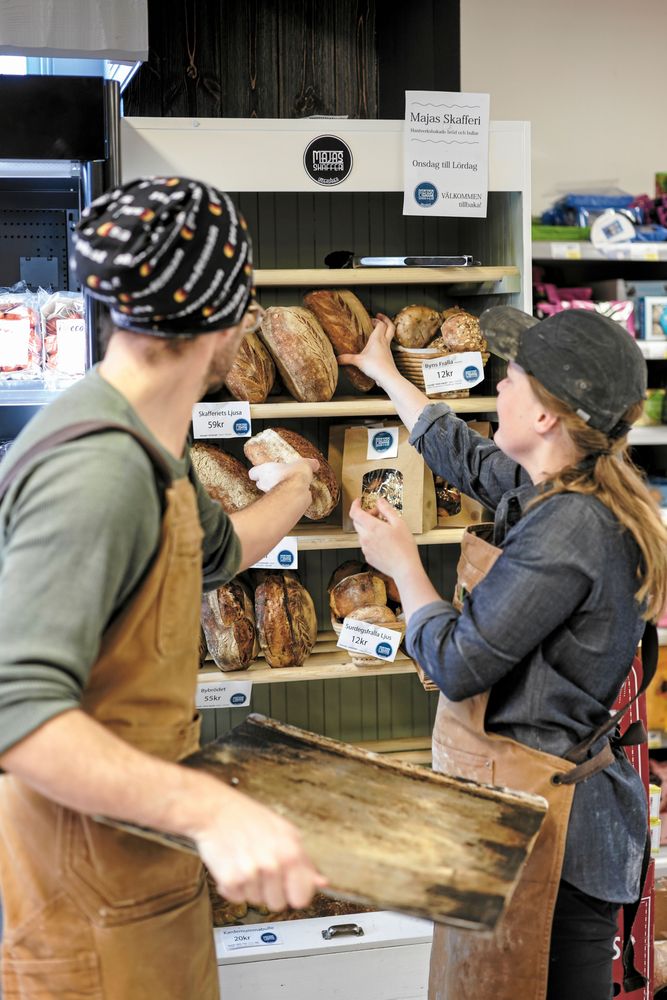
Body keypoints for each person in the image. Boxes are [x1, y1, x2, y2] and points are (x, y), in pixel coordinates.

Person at [0, 176, 326, 1000]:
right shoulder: (98, 470)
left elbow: (218, 551)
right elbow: (17, 711)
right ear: (221, 317)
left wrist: (295, 488)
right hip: (83, 912)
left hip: (139, 881)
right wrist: (211, 809)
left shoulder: (149, 448)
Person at [338, 305, 667, 1000]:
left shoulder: (571, 528)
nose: (497, 388)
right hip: (523, 822)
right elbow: (467, 456)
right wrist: (386, 375)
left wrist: (399, 566)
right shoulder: (562, 489)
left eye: (510, 376)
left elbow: (456, 663)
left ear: (546, 415)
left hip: (551, 839)